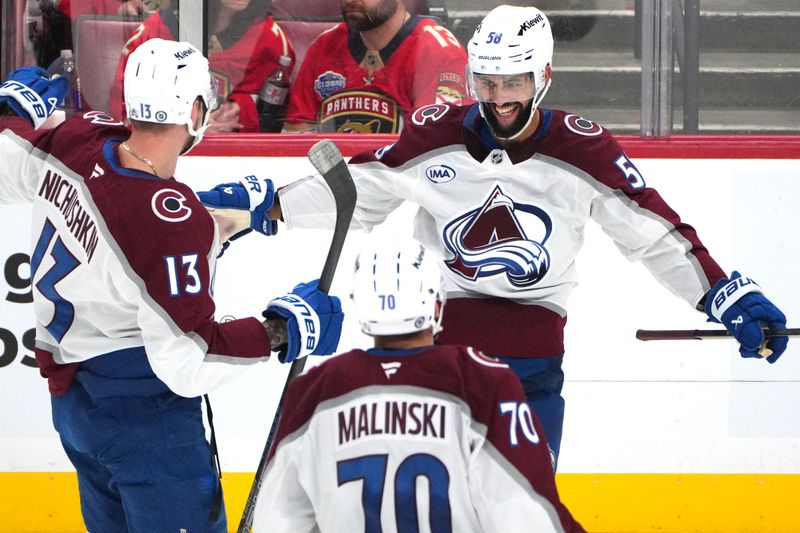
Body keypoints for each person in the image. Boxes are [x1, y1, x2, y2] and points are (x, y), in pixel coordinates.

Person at [224, 4, 790, 465]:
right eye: (487, 82)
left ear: (542, 76)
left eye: (513, 82)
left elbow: (653, 232)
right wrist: (264, 210)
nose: (498, 99)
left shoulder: (581, 149)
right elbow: (356, 192)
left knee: (523, 510)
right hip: (444, 349)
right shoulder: (435, 134)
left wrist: (722, 293)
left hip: (534, 357)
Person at [0, 39, 342, 532]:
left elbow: (121, 245)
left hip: (79, 410)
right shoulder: (167, 220)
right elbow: (190, 359)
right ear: (196, 109)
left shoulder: (79, 138)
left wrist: (215, 218)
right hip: (147, 421)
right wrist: (282, 331)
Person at [251, 236, 586, 532]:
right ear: (437, 304)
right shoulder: (481, 380)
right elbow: (530, 512)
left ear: (359, 305)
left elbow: (277, 517)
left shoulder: (315, 390)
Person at [281, 0, 468, 134]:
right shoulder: (324, 46)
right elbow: (297, 134)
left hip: (404, 181)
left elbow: (436, 143)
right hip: (334, 180)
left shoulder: (437, 50)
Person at [109, 0, 294, 132]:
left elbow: (275, 122)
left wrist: (241, 106)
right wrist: (190, 129)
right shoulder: (154, 33)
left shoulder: (271, 40)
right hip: (168, 158)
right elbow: (126, 113)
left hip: (237, 159)